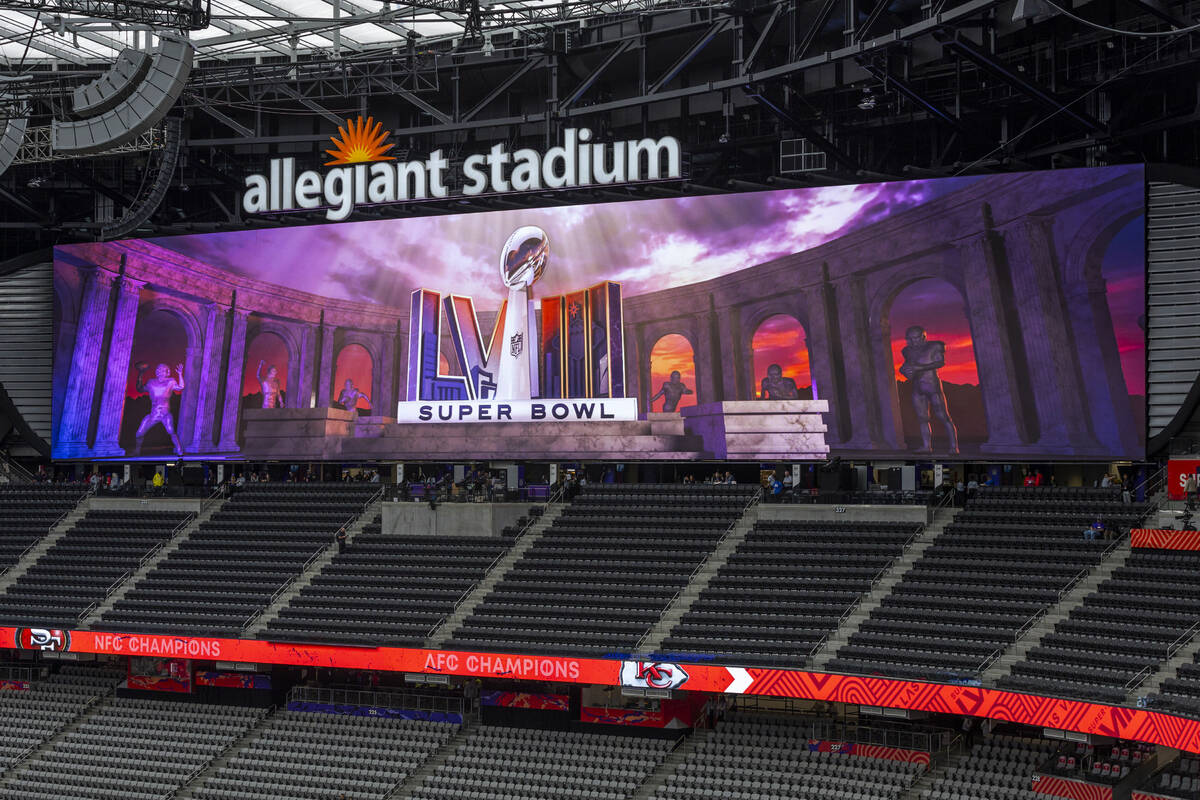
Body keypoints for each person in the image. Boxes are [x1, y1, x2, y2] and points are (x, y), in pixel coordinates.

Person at [899, 326, 959, 454]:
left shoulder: (934, 346)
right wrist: (904, 370)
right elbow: (907, 364)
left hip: (932, 386)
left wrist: (918, 368)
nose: (913, 342)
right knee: (922, 418)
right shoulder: (907, 350)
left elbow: (940, 362)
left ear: (923, 337)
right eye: (910, 339)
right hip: (917, 387)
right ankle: (927, 446)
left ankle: (954, 447)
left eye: (916, 338)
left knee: (943, 416)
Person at [132, 362, 185, 455]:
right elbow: (139, 389)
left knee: (171, 431)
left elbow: (181, 387)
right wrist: (140, 374)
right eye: (158, 369)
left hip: (165, 414)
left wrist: (180, 374)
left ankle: (180, 451)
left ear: (167, 372)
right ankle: (137, 450)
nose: (159, 371)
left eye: (162, 369)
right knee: (139, 433)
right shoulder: (151, 382)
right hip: (153, 415)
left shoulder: (170, 381)